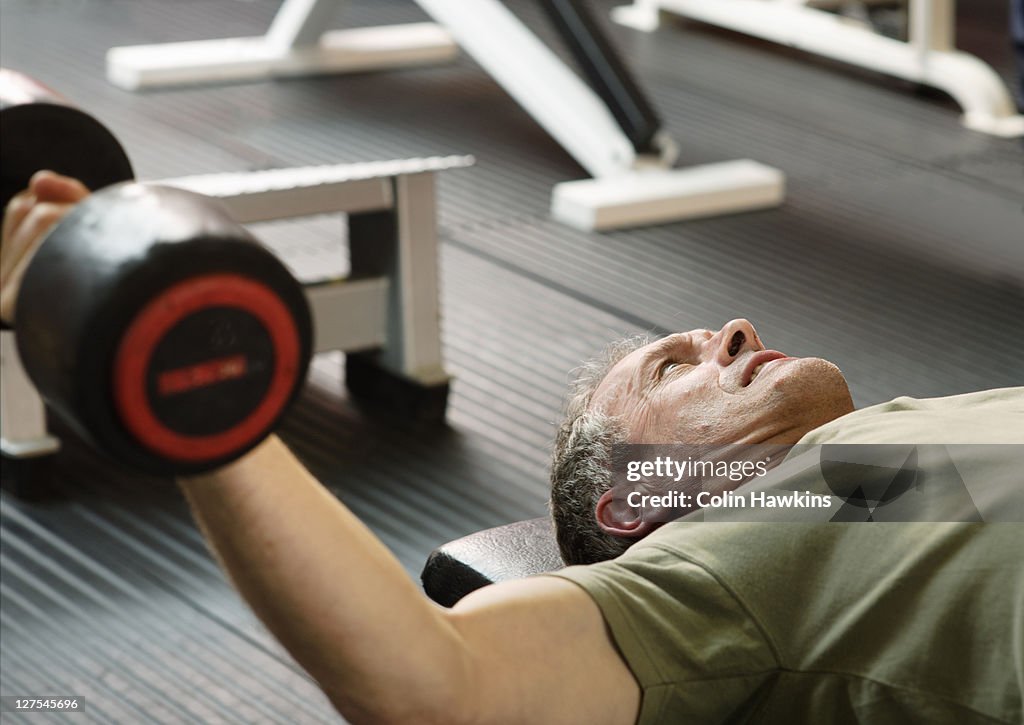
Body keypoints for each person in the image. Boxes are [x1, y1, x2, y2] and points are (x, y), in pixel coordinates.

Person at [3, 172, 1021, 724]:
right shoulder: (735, 555)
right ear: (632, 500)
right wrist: (188, 382)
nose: (736, 332)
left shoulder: (879, 463)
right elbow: (437, 686)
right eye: (672, 370)